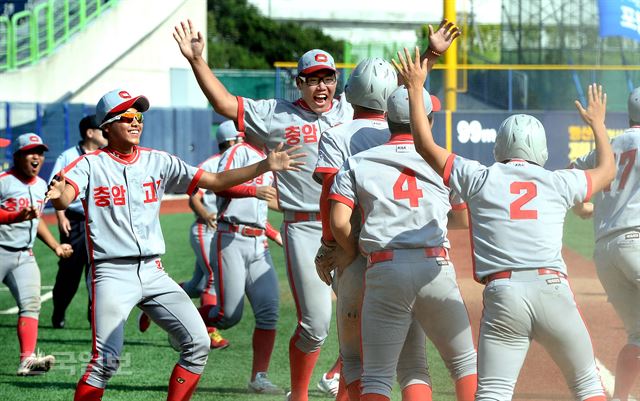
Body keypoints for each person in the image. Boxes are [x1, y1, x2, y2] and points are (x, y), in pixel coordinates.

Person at [45, 88, 304, 401]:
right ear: (107, 126)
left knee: (199, 343)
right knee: (106, 361)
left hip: (153, 271)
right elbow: (66, 194)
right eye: (126, 117)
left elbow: (215, 182)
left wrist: (264, 166)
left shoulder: (158, 161)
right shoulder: (89, 164)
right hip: (112, 272)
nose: (135, 122)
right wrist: (59, 196)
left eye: (138, 116)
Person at [395, 47, 613, 401]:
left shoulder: (479, 177)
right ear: (541, 151)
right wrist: (598, 126)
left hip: (504, 293)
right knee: (588, 387)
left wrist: (416, 87)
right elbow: (607, 171)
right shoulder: (559, 181)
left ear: (499, 147)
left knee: (493, 394)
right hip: (552, 289)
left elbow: (424, 144)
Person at [174, 19, 350, 401]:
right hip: (304, 225)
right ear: (299, 83)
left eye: (329, 77)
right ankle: (298, 394)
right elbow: (224, 103)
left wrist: (431, 55)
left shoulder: (350, 113)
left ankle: (338, 381)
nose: (322, 86)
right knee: (316, 325)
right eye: (313, 78)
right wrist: (197, 61)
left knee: (364, 316)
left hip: (349, 223)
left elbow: (401, 99)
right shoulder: (276, 113)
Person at [314, 21, 463, 401]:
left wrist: (334, 248)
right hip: (403, 247)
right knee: (413, 363)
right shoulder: (402, 134)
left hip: (357, 249)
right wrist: (428, 56)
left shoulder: (336, 135)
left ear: (348, 94)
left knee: (356, 363)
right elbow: (410, 93)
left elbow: (331, 194)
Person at [327, 85, 477, 401]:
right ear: (428, 121)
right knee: (463, 365)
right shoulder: (444, 161)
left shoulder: (359, 161)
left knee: (378, 379)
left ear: (388, 121)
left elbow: (339, 221)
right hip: (433, 266)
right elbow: (463, 220)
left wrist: (352, 248)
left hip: (384, 267)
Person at [137, 120, 240, 349]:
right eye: (239, 138)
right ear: (231, 141)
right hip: (206, 230)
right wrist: (207, 215)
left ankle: (153, 308)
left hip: (223, 232)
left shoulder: (237, 161)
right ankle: (209, 332)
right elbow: (193, 197)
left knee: (196, 284)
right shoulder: (213, 163)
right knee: (213, 276)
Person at [570, 87, 640, 401]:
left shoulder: (610, 143)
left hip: (606, 253)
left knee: (638, 336)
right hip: (637, 242)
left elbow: (571, 174)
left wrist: (586, 206)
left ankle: (622, 398)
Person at [200, 131, 283, 394]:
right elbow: (218, 184)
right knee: (228, 316)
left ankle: (259, 377)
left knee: (269, 312)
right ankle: (179, 319)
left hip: (259, 243)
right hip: (230, 238)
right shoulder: (238, 151)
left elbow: (260, 211)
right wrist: (253, 190)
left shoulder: (270, 157)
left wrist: (276, 233)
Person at [0, 133, 73, 375]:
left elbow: (38, 221)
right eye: (31, 152)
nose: (37, 157)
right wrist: (14, 217)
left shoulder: (43, 186)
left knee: (31, 305)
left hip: (24, 255)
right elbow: (18, 216)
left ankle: (27, 360)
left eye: (40, 152)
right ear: (18, 156)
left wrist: (55, 246)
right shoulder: (4, 181)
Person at [50, 114, 108, 329]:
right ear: (90, 133)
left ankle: (95, 318)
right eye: (102, 130)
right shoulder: (68, 157)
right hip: (74, 221)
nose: (106, 134)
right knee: (69, 272)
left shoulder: (106, 156)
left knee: (100, 272)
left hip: (100, 222)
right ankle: (59, 312)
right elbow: (54, 188)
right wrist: (60, 216)